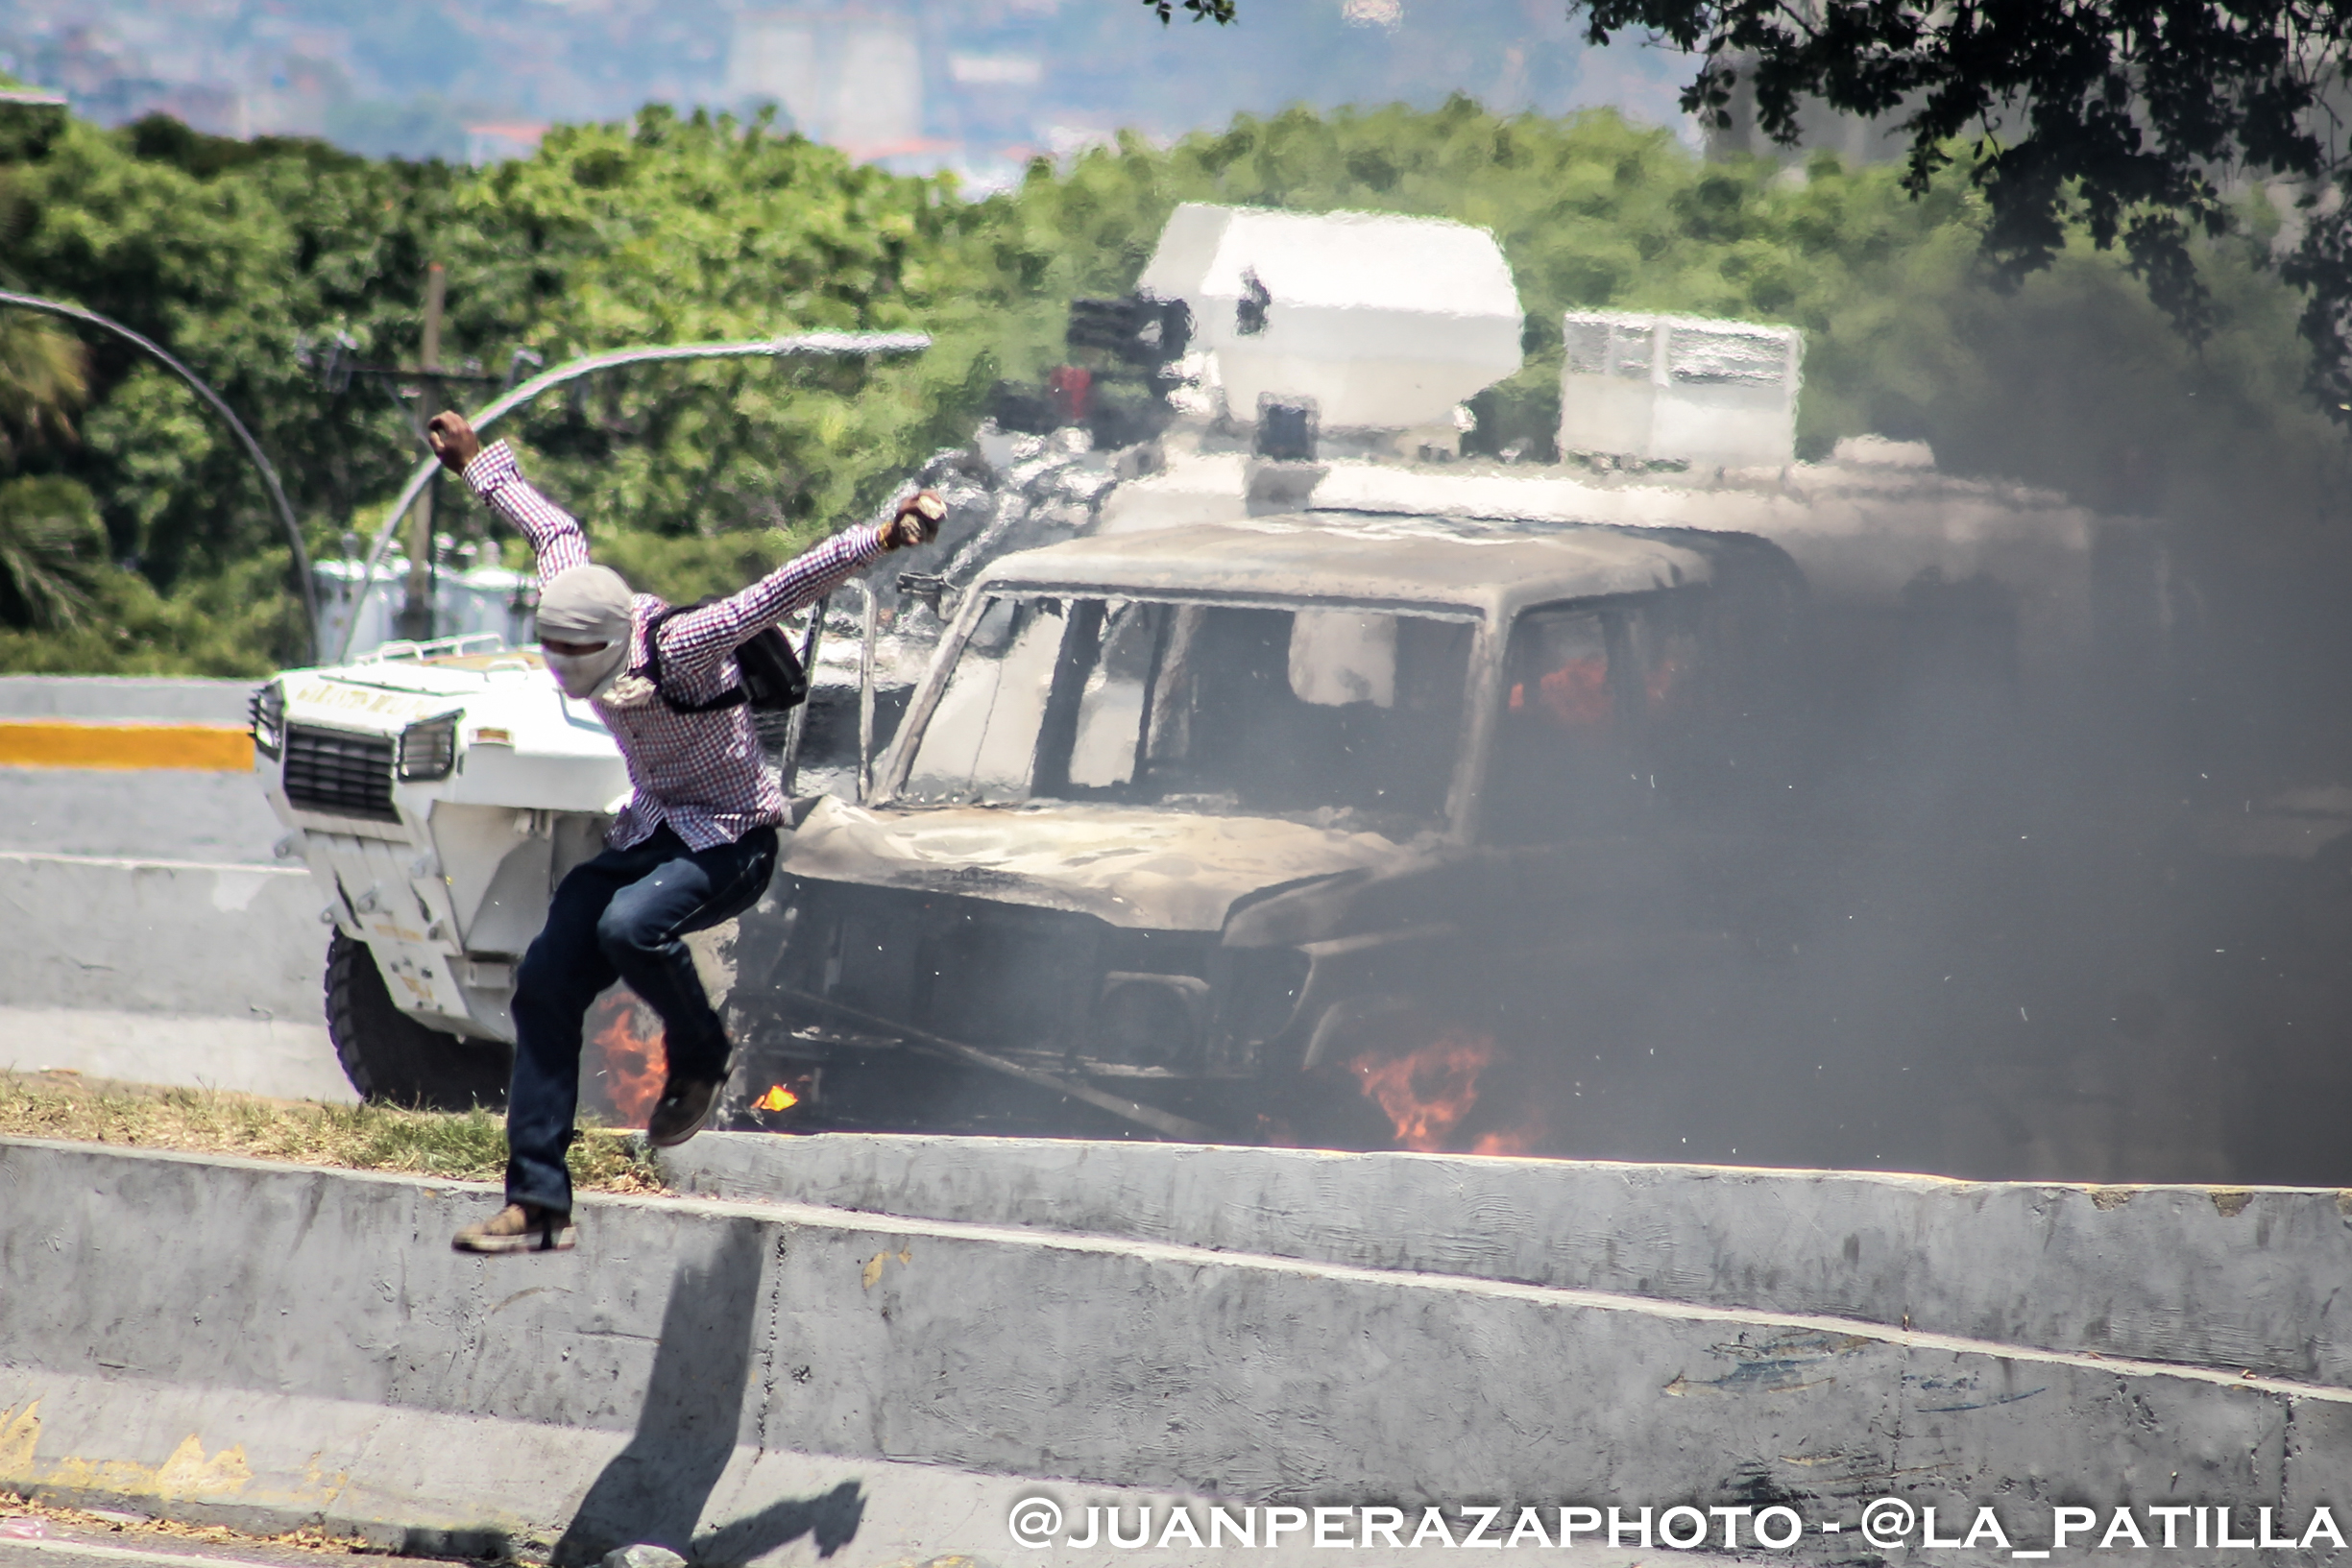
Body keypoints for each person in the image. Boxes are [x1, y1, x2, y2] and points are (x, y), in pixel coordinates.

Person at [424, 410, 944, 1255]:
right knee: (546, 979)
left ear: (615, 638)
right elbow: (552, 526)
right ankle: (538, 1201)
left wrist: (885, 533)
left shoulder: (685, 646)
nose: (566, 673)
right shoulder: (575, 592)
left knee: (630, 926)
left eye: (576, 660)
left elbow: (784, 586)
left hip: (732, 840)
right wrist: (474, 461)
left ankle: (700, 1054)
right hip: (649, 829)